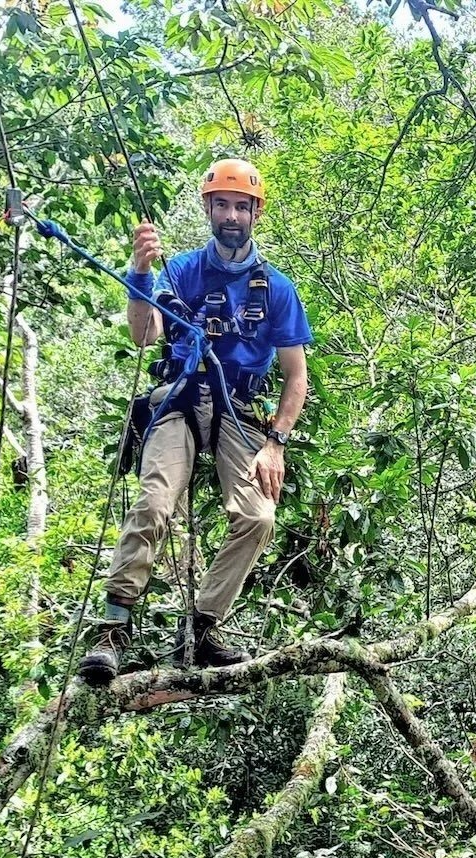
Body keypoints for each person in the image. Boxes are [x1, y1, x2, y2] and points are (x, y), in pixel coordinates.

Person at [78, 157, 311, 686]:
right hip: (180, 397)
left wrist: (274, 444)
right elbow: (145, 335)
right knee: (154, 500)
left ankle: (201, 626)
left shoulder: (275, 288)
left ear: (255, 213)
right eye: (223, 205)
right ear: (209, 209)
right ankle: (114, 625)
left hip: (239, 409)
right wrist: (140, 272)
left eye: (241, 206)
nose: (232, 215)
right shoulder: (181, 270)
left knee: (258, 517)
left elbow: (296, 377)